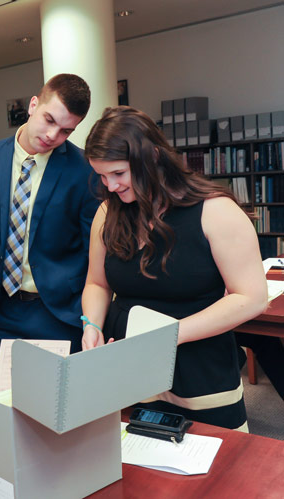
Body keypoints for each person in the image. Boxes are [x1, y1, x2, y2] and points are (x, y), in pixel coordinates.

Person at [81, 106, 268, 430]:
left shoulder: (215, 211)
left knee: (217, 472)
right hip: (129, 372)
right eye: (102, 176)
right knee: (134, 471)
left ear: (152, 157)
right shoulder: (108, 212)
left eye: (119, 174)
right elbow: (97, 284)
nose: (110, 187)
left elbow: (251, 297)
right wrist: (92, 326)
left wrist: (169, 335)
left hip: (201, 374)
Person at [0, 73, 99, 376]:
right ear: (33, 105)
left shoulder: (84, 170)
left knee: (60, 408)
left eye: (66, 130)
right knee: (9, 404)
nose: (53, 134)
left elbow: (92, 249)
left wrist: (80, 308)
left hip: (59, 312)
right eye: (49, 119)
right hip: (4, 309)